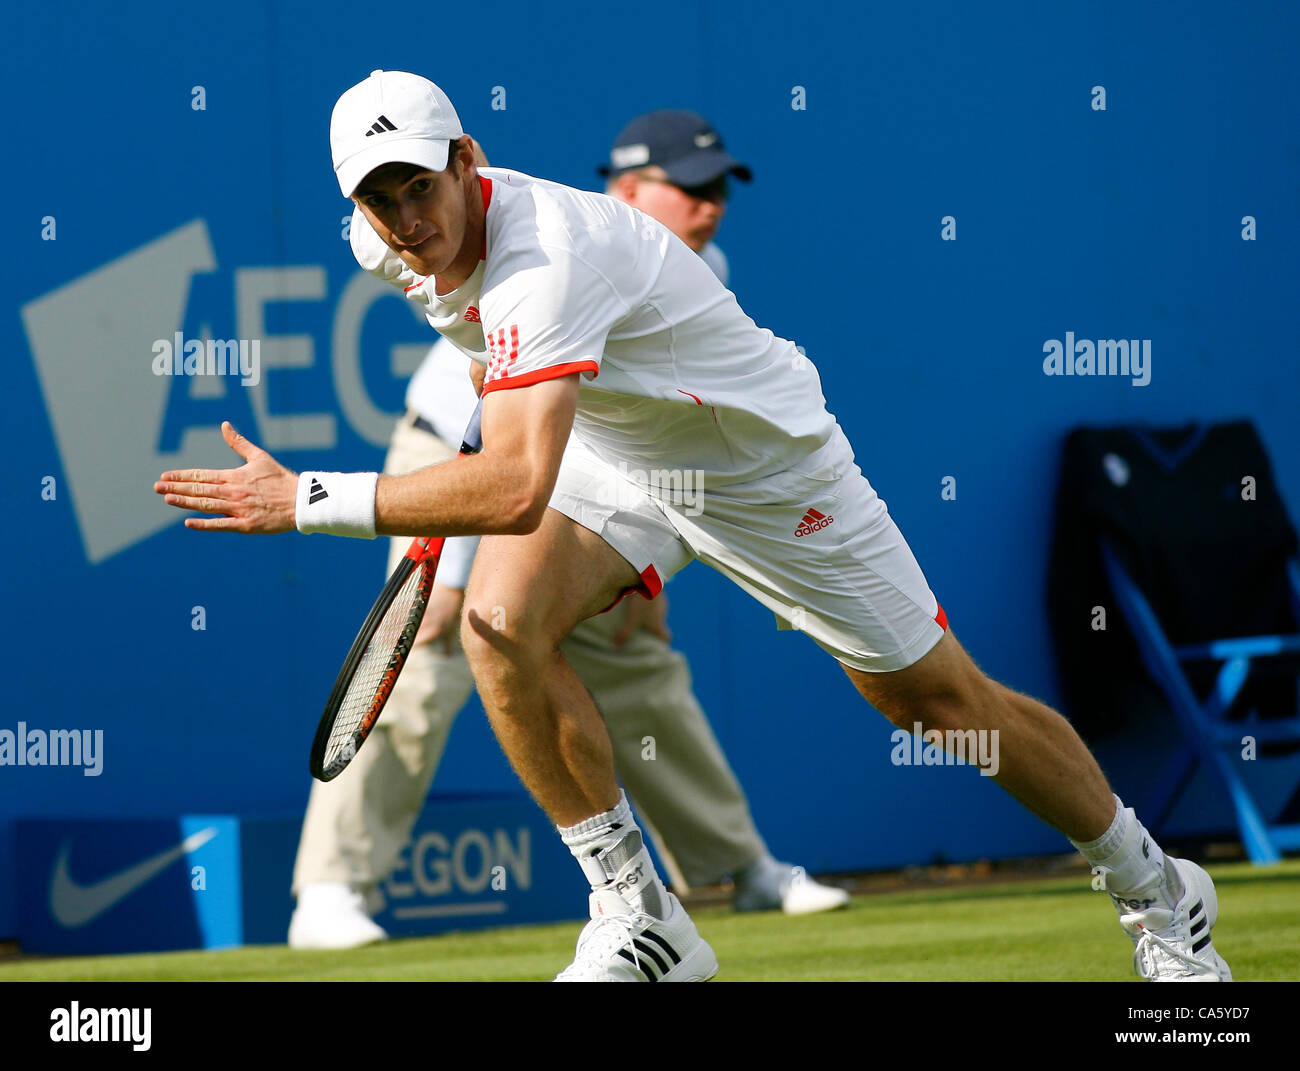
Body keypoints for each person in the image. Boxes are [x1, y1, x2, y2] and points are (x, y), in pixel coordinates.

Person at [156, 70, 1232, 982]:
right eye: (379, 197)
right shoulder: (383, 243)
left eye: (418, 184)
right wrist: (479, 449)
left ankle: (1157, 889)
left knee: (935, 703)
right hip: (619, 456)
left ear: (467, 158)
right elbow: (501, 387)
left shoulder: (548, 256)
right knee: (497, 627)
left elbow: (519, 483)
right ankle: (639, 911)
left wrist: (305, 500)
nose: (404, 216)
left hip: (764, 470)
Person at [288, 123, 847, 950]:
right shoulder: (528, 247)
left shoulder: (694, 266)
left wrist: (643, 572)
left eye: (720, 190)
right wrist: (451, 574)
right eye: (689, 186)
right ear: (625, 189)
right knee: (439, 636)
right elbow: (486, 441)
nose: (710, 207)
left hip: (573, 463)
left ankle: (737, 868)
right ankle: (330, 888)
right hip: (456, 451)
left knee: (631, 657)